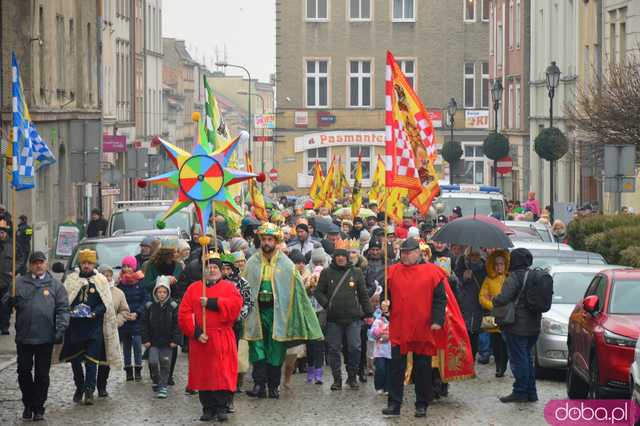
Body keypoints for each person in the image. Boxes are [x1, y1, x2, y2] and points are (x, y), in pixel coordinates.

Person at [242, 223, 323, 399]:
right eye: (263, 239)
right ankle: (259, 384)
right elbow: (244, 288)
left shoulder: (287, 265)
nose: (266, 243)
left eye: (270, 239)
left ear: (276, 241)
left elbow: (297, 292)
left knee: (276, 349)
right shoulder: (251, 263)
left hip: (278, 313)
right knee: (256, 346)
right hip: (257, 312)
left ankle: (273, 386)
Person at [380, 238, 447, 418]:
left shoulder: (433, 272)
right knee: (396, 368)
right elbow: (386, 297)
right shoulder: (392, 272)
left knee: (423, 368)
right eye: (402, 252)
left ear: (418, 252)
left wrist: (437, 320)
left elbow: (440, 299)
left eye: (408, 252)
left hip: (423, 326)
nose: (405, 255)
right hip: (400, 326)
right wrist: (384, 305)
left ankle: (422, 403)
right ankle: (394, 404)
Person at [1, 251, 69, 421]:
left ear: (46, 264)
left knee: (42, 374)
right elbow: (5, 304)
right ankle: (28, 403)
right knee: (23, 371)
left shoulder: (55, 286)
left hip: (46, 337)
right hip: (24, 337)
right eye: (35, 263)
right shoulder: (19, 283)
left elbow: (62, 309)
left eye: (41, 262)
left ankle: (39, 406)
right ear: (30, 265)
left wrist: (60, 329)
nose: (38, 265)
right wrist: (9, 301)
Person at [178, 256, 243, 421]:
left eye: (215, 267)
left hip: (222, 337)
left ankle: (222, 407)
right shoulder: (194, 288)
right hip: (201, 339)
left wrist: (213, 302)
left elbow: (236, 306)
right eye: (209, 267)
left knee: (222, 373)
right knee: (204, 374)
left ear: (220, 271)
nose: (212, 270)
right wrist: (197, 332)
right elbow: (184, 313)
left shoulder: (229, 287)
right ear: (204, 270)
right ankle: (207, 408)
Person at [60, 249, 122, 405]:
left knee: (91, 361)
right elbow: (64, 300)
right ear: (80, 264)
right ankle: (79, 386)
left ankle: (89, 390)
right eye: (84, 263)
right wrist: (70, 311)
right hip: (75, 328)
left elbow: (105, 304)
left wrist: (94, 313)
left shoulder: (100, 281)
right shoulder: (71, 280)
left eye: (89, 263)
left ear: (94, 264)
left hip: (93, 328)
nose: (86, 265)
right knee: (75, 361)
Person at [315, 240, 373, 391]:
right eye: (337, 255)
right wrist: (327, 304)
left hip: (353, 318)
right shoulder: (326, 273)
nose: (340, 258)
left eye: (343, 255)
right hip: (334, 319)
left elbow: (363, 294)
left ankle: (352, 376)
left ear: (347, 257)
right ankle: (337, 379)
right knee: (333, 349)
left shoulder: (356, 272)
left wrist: (368, 312)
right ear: (334, 257)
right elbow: (318, 291)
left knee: (355, 348)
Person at [493, 248, 540, 403]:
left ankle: (519, 391)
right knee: (527, 358)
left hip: (517, 326)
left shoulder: (514, 276)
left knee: (519, 359)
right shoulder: (535, 275)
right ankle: (531, 392)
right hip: (534, 326)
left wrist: (495, 299)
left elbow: (503, 297)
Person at [142, 276, 180, 399]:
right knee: (152, 361)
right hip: (153, 342)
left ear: (168, 292)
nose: (162, 294)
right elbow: (144, 324)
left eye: (164, 292)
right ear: (155, 292)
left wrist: (175, 340)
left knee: (165, 363)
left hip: (168, 342)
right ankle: (156, 379)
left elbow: (177, 325)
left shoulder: (173, 306)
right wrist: (146, 339)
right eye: (159, 292)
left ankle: (163, 386)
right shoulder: (150, 306)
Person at [96, 265, 130, 398]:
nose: (107, 277)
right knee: (92, 359)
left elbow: (124, 311)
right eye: (104, 275)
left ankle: (101, 386)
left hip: (110, 331)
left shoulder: (118, 293)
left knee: (105, 359)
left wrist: (116, 321)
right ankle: (88, 386)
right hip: (94, 330)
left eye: (109, 275)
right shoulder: (94, 290)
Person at [479, 250, 510, 378]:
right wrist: (492, 305)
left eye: (501, 264)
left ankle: (503, 365)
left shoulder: (510, 278)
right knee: (495, 344)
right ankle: (499, 367)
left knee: (505, 344)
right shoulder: (488, 279)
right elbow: (481, 297)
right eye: (497, 264)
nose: (499, 267)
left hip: (507, 316)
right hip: (492, 316)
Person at [116, 256, 147, 382]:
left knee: (137, 344)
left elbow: (145, 299)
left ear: (134, 267)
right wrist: (123, 314)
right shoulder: (120, 282)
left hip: (137, 318)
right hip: (125, 318)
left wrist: (138, 313)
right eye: (124, 266)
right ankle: (128, 370)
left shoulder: (140, 281)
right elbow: (117, 300)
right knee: (126, 345)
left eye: (129, 266)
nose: (126, 269)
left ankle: (138, 369)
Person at [453, 246, 486, 361]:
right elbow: (457, 282)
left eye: (477, 256)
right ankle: (465, 357)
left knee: (475, 331)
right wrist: (463, 278)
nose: (474, 258)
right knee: (464, 330)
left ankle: (472, 356)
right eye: (472, 255)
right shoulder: (462, 264)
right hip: (464, 302)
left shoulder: (484, 267)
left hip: (478, 302)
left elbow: (486, 284)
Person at [0, 218, 19, 334]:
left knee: (5, 305)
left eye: (2, 232)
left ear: (6, 232)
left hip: (7, 280)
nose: (0, 234)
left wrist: (15, 270)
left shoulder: (12, 245)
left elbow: (21, 259)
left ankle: (4, 326)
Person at [370, 309, 391, 395]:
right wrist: (380, 333)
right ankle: (379, 386)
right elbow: (372, 333)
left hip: (391, 350)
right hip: (379, 351)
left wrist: (390, 335)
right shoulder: (378, 321)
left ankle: (387, 387)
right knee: (380, 368)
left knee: (389, 369)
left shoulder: (395, 320)